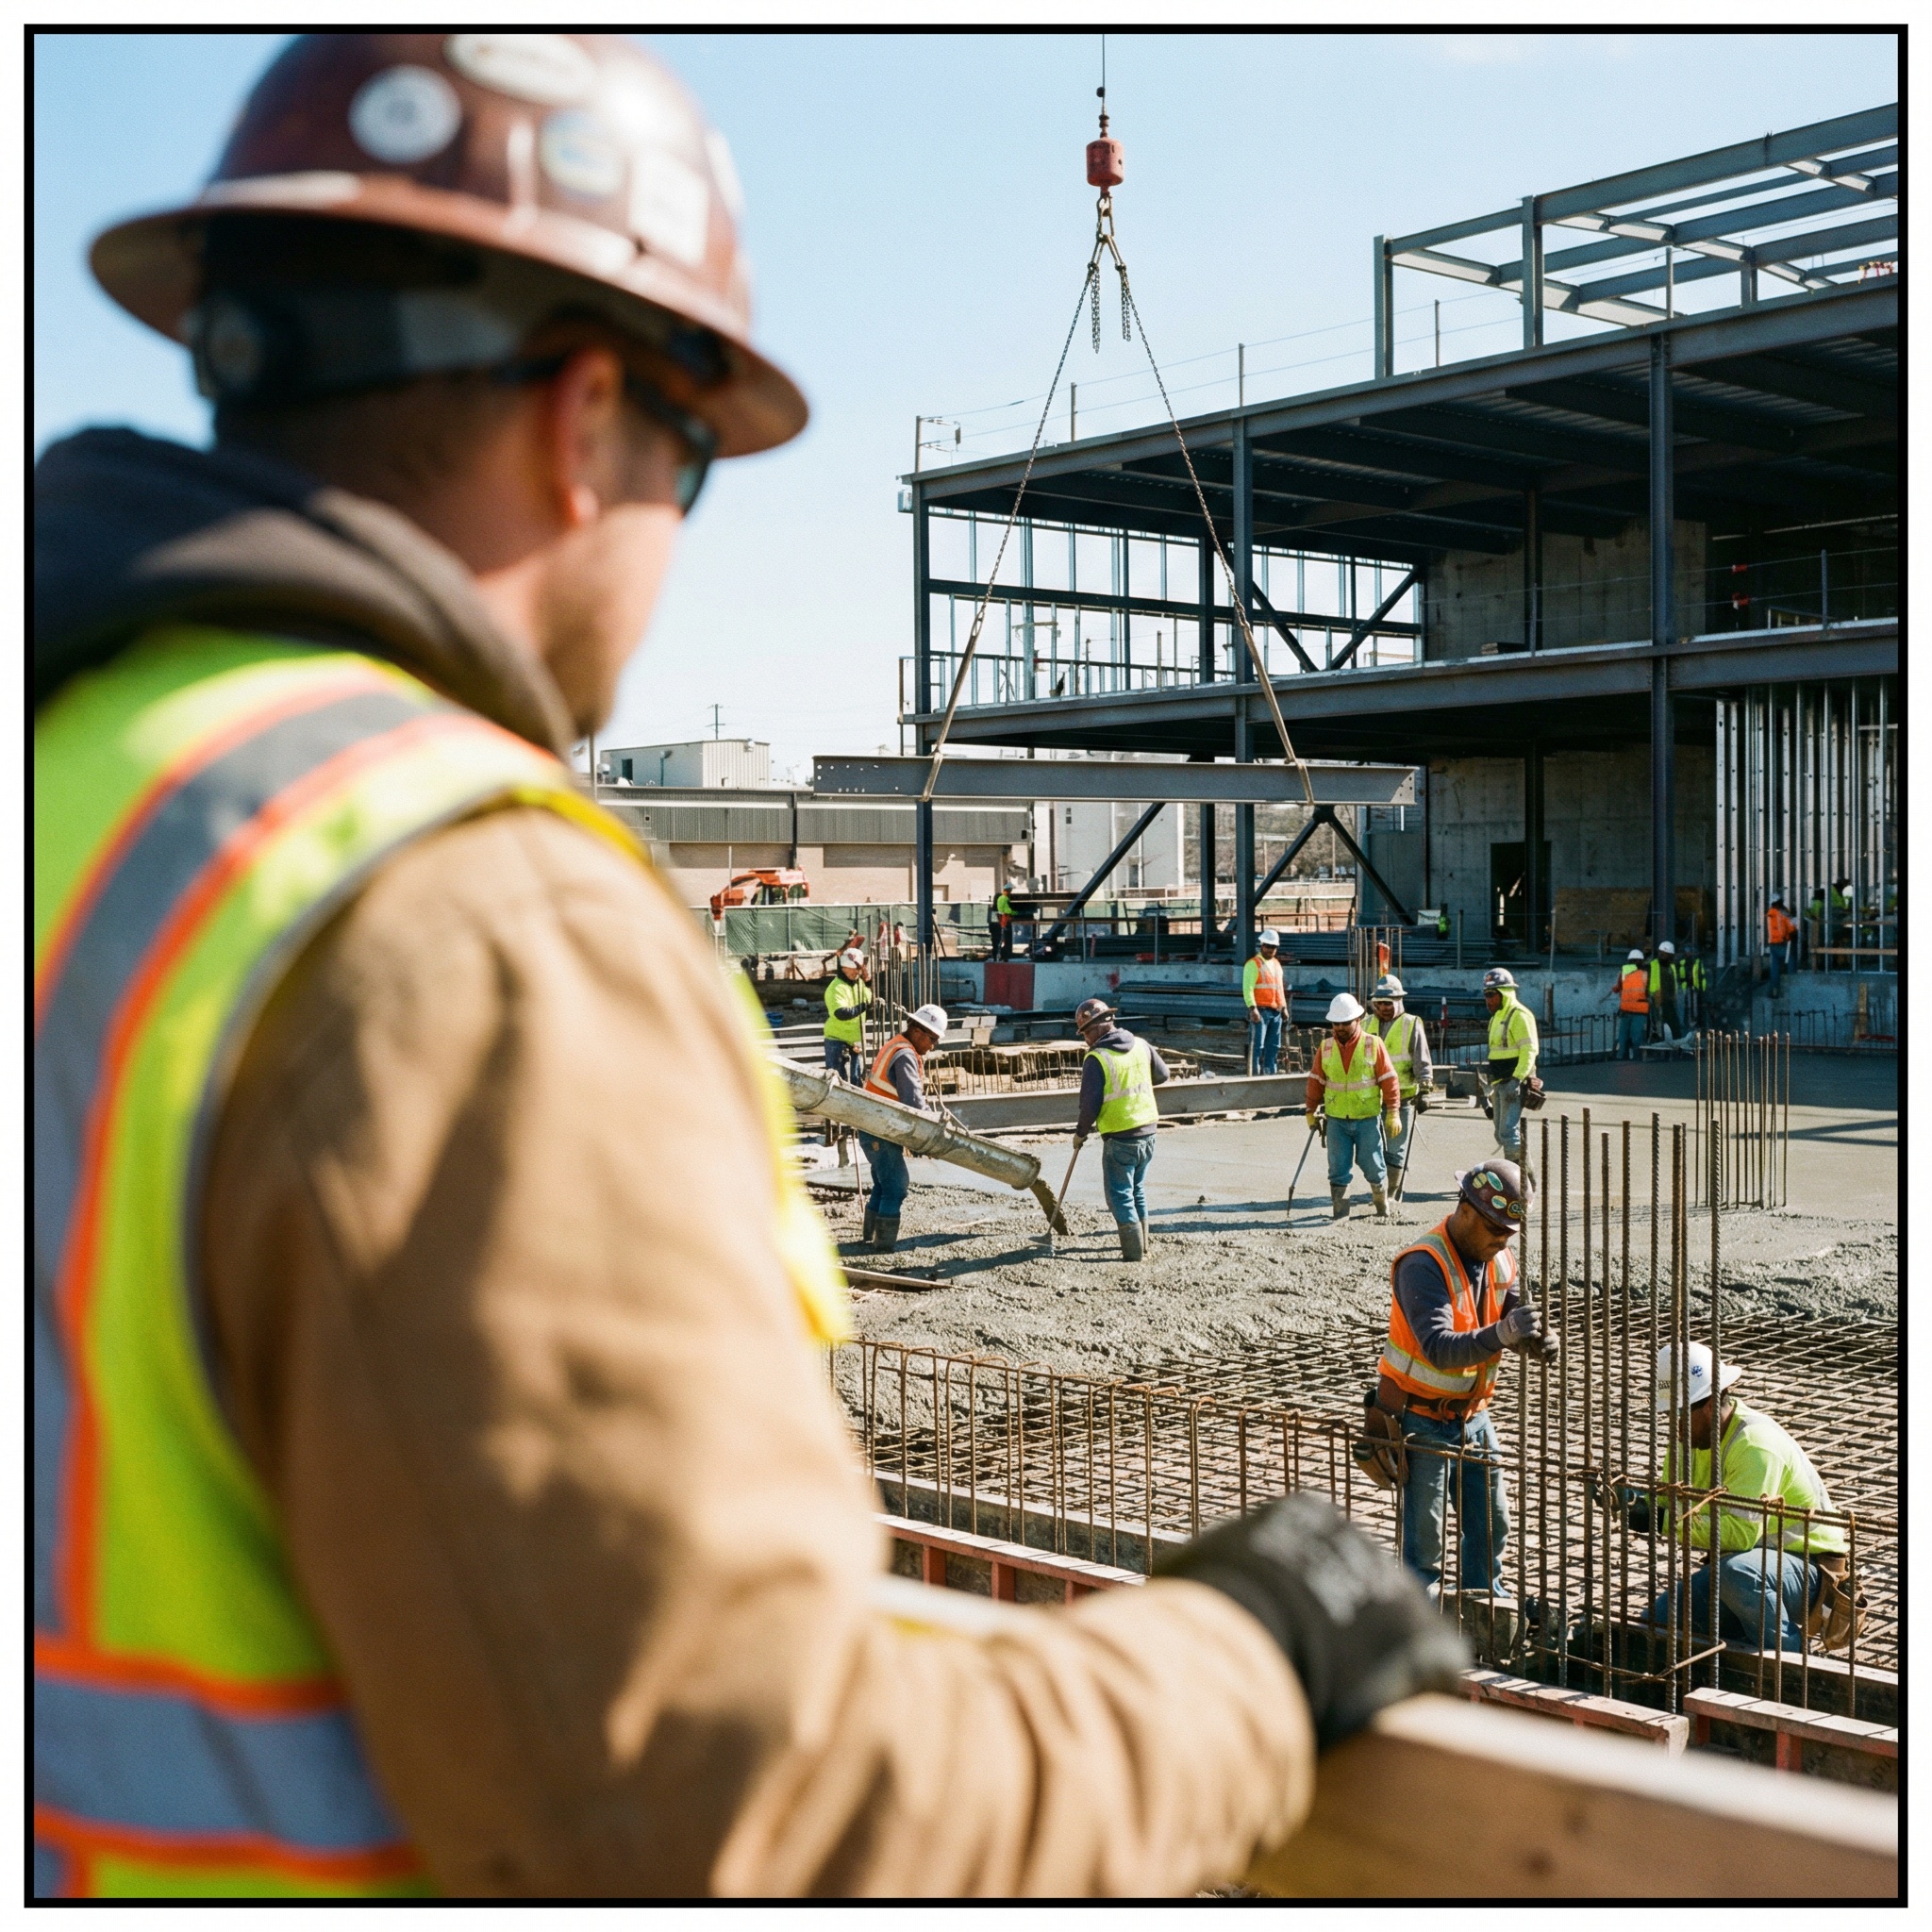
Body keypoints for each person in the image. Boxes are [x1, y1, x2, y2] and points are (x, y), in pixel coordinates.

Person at [33, 34, 1467, 1899]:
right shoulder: (459, 918)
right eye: (694, 460)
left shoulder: (83, 796)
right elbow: (729, 1817)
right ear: (582, 425)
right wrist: (1250, 1654)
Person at [1362, 1160, 1557, 1600]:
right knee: (1425, 1547)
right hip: (1421, 1418)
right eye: (1495, 1228)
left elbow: (1509, 1312)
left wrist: (1536, 1338)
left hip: (1472, 1417)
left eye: (1510, 1232)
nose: (1502, 1240)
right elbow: (1440, 1347)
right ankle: (1420, 1638)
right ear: (1465, 1208)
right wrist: (1503, 1336)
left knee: (1491, 1523)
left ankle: (1485, 1613)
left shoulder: (1499, 1257)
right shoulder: (1423, 1263)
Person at [1620, 1345, 1861, 1656]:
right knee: (1662, 1619)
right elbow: (1670, 1504)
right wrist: (1632, 1503)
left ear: (1707, 1406)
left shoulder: (1755, 1445)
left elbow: (1741, 1534)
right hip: (1739, 1569)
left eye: (1679, 1414)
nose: (1672, 1425)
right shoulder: (1687, 1440)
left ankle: (1791, 1665)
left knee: (1737, 1575)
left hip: (1807, 1569)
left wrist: (1657, 1519)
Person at [1071, 996, 1171, 1261]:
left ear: (1096, 1028)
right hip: (1148, 1130)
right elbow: (1163, 1075)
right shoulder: (1141, 1045)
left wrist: (1080, 1134)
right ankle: (1144, 1243)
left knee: (1119, 1195)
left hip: (1121, 1136)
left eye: (1085, 1033)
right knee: (1136, 1189)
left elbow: (1089, 1106)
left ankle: (1134, 1253)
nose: (1085, 1040)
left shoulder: (1097, 1058)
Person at [859, 1002, 947, 1251]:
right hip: (881, 1128)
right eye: (932, 1040)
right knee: (896, 1186)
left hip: (875, 1126)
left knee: (883, 1184)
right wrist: (935, 1128)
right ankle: (882, 1249)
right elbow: (914, 1103)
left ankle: (869, 1240)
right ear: (918, 1031)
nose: (932, 1047)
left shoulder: (897, 1044)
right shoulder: (906, 1054)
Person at [1306, 993, 1401, 1220]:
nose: (1340, 1027)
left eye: (1345, 1023)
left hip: (1366, 1118)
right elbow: (1316, 1080)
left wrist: (1394, 1111)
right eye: (1336, 1023)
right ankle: (1340, 1214)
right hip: (1337, 1119)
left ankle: (1381, 1208)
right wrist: (1310, 1111)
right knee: (1338, 1168)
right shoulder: (1326, 1047)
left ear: (1357, 1019)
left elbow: (1389, 1079)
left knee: (1373, 1165)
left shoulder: (1372, 1044)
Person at [1365, 975, 1431, 1195]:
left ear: (1398, 1001)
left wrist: (1425, 1088)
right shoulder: (1366, 1023)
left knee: (1395, 1148)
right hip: (1373, 1097)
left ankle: (1392, 1193)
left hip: (1403, 1097)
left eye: (1388, 1003)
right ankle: (1382, 1189)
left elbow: (1422, 1059)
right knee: (1374, 1149)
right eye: (1379, 1003)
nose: (1383, 1008)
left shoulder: (1410, 1024)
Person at [1481, 968, 1539, 1163]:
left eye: (1491, 995)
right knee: (1500, 1133)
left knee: (1508, 1132)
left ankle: (1521, 1180)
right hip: (1499, 1081)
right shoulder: (1496, 1018)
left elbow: (1529, 1050)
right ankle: (1524, 1176)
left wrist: (1517, 1079)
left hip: (1513, 1081)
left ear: (1504, 993)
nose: (1488, 1000)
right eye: (1486, 995)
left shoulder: (1519, 1015)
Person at [823, 948, 873, 1084]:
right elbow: (842, 1013)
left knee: (857, 1081)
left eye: (858, 969)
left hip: (856, 1040)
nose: (856, 972)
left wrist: (868, 982)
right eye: (852, 968)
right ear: (843, 967)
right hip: (836, 1040)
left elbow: (870, 1001)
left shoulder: (859, 984)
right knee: (837, 1081)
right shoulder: (836, 988)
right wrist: (864, 1006)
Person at [1241, 927, 1287, 1075]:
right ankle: (1254, 1075)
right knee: (1257, 1047)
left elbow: (1279, 988)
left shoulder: (1276, 965)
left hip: (1276, 1012)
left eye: (1274, 947)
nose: (1271, 950)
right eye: (1268, 946)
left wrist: (1284, 1007)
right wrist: (1252, 1008)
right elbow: (1247, 988)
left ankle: (1270, 1074)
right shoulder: (1253, 964)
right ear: (1262, 946)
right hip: (1260, 1012)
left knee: (1273, 1046)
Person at [1615, 949, 1649, 1060]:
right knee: (1637, 1036)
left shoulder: (1623, 972)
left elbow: (1618, 987)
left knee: (1623, 1035)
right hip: (1640, 1010)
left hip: (1625, 1009)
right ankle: (1637, 1057)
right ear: (1641, 961)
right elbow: (1648, 991)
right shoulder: (1645, 974)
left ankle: (1621, 1057)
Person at [1764, 897, 1796, 998]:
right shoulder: (1783, 912)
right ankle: (1792, 984)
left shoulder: (1769, 913)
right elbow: (1792, 927)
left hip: (1772, 944)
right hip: (1782, 943)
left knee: (1775, 967)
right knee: (1791, 959)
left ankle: (1774, 990)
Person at [1649, 940, 1680, 1039]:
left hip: (1669, 1000)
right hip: (1658, 1000)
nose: (1661, 955)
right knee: (1661, 1025)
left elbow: (1673, 982)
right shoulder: (1653, 965)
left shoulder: (1671, 967)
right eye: (1661, 954)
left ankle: (1676, 1044)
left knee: (1674, 1025)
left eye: (1664, 954)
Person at [991, 882, 1016, 960]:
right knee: (1005, 940)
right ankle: (1004, 956)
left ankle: (997, 956)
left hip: (997, 924)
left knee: (997, 941)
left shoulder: (995, 906)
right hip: (1003, 923)